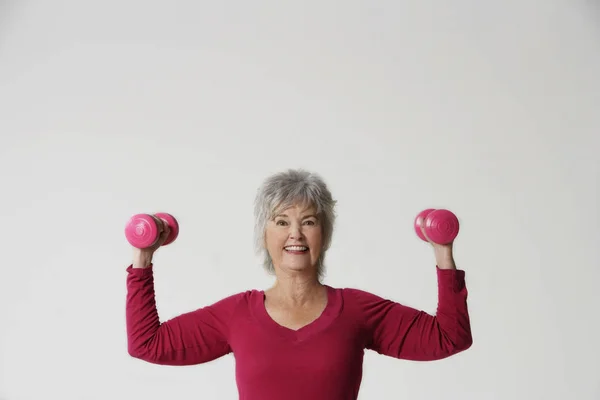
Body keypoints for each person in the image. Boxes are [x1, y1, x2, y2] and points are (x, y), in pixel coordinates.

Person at [125, 169, 473, 399]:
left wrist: (442, 250)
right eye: (281, 222)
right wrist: (143, 257)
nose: (295, 234)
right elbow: (147, 343)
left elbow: (448, 337)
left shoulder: (357, 311)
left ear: (324, 234)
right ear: (265, 234)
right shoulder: (236, 315)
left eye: (308, 221)